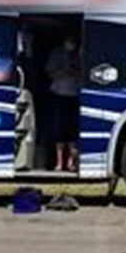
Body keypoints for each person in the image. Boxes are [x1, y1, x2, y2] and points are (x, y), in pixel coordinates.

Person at [45, 34, 82, 172]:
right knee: (58, 128)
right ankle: (59, 163)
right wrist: (62, 71)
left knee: (73, 130)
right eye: (69, 41)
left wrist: (74, 70)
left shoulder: (80, 55)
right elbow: (48, 71)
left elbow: (84, 72)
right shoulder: (56, 53)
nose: (70, 44)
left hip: (75, 94)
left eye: (73, 41)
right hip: (58, 93)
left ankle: (71, 162)